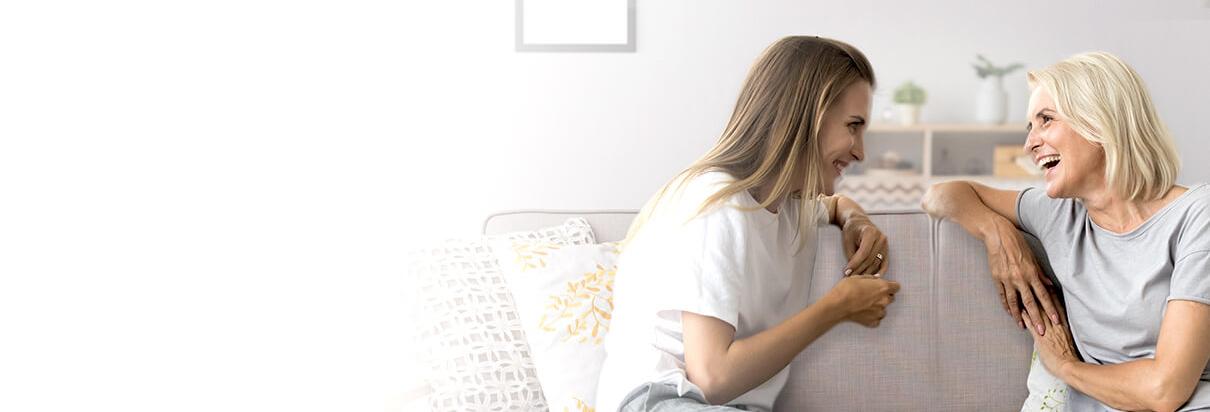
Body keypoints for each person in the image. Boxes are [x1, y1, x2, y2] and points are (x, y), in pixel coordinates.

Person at [594, 36, 901, 412]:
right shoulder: (718, 204)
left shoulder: (787, 203)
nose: (860, 150)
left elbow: (834, 206)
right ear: (805, 117)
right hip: (661, 399)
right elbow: (712, 376)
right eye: (853, 126)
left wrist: (855, 220)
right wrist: (838, 306)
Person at [922, 51, 1210, 411]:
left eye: (1046, 120)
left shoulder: (1198, 215)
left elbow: (1165, 390)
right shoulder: (1057, 214)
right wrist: (997, 234)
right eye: (1031, 127)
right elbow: (941, 195)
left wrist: (1065, 367)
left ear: (1101, 121)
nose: (1029, 144)